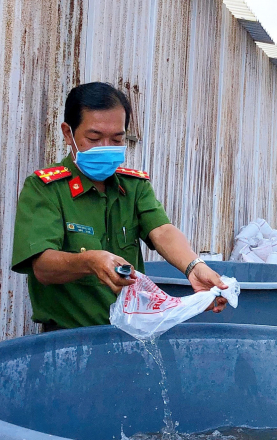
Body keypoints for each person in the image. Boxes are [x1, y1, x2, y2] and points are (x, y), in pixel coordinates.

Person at [12, 82, 227, 331]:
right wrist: (90, 261)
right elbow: (43, 267)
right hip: (69, 340)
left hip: (131, 335)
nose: (106, 148)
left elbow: (162, 231)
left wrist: (194, 267)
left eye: (116, 139)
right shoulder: (45, 189)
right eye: (94, 138)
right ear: (68, 134)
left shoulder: (133, 185)